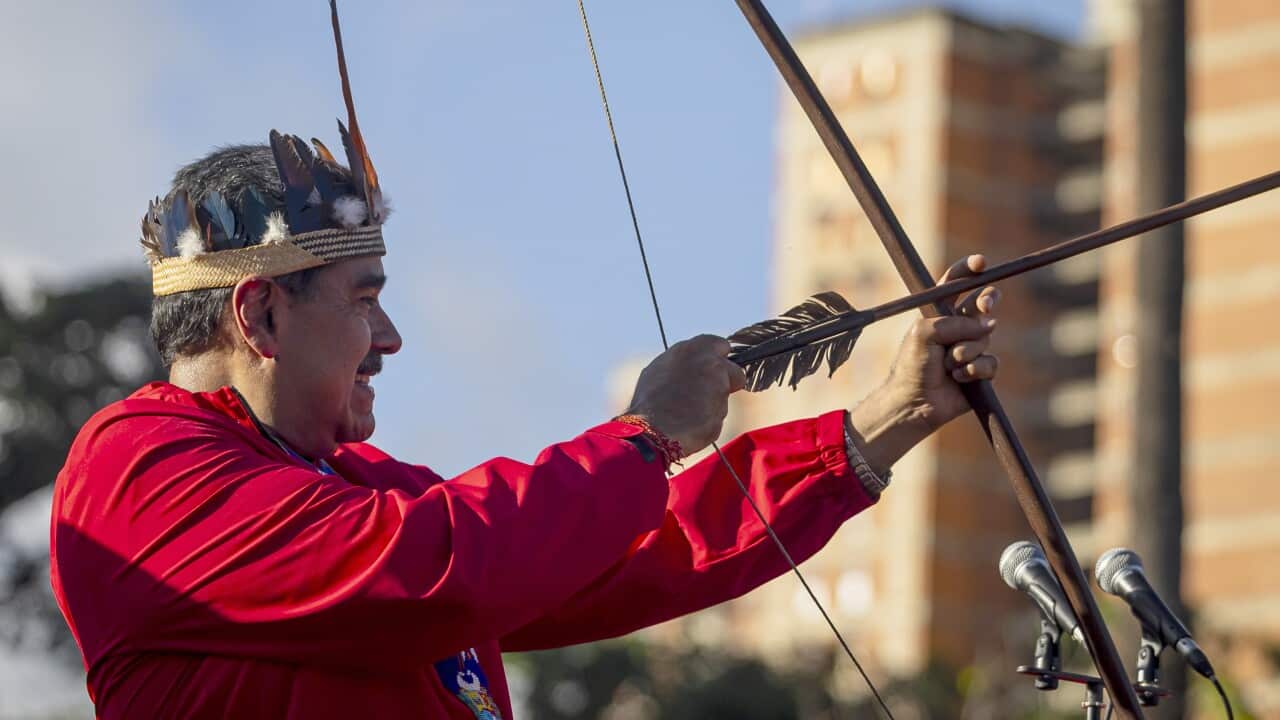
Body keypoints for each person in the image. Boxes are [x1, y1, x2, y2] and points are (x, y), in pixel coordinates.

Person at [49, 7, 1001, 720]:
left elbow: (628, 549)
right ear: (260, 313)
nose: (389, 341)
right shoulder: (139, 469)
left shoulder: (359, 487)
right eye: (364, 299)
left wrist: (890, 415)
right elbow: (441, 565)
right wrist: (646, 437)